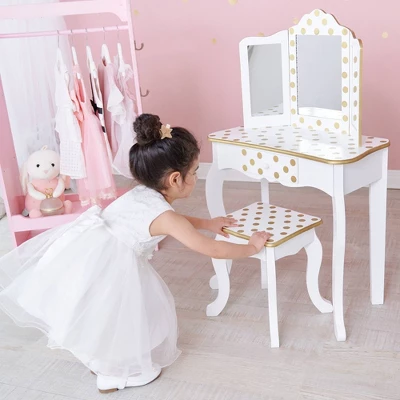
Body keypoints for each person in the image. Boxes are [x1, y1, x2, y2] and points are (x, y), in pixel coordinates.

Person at [0, 114, 271, 394]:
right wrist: (251, 247)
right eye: (194, 173)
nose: (196, 177)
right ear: (175, 179)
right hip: (113, 268)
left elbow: (172, 222)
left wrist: (207, 223)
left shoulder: (143, 193)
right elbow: (210, 247)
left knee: (97, 314)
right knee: (119, 318)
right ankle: (112, 375)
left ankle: (98, 359)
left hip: (95, 253)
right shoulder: (166, 216)